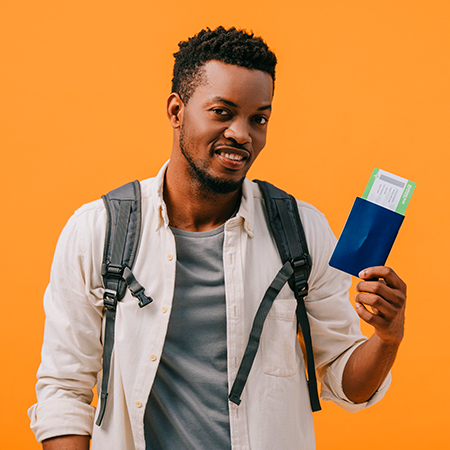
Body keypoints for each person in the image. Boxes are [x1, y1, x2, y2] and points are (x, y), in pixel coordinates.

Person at [28, 26, 407, 450]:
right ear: (177, 111)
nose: (242, 134)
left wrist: (387, 339)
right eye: (223, 112)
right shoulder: (98, 230)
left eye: (258, 118)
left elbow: (348, 383)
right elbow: (64, 390)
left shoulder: (301, 231)